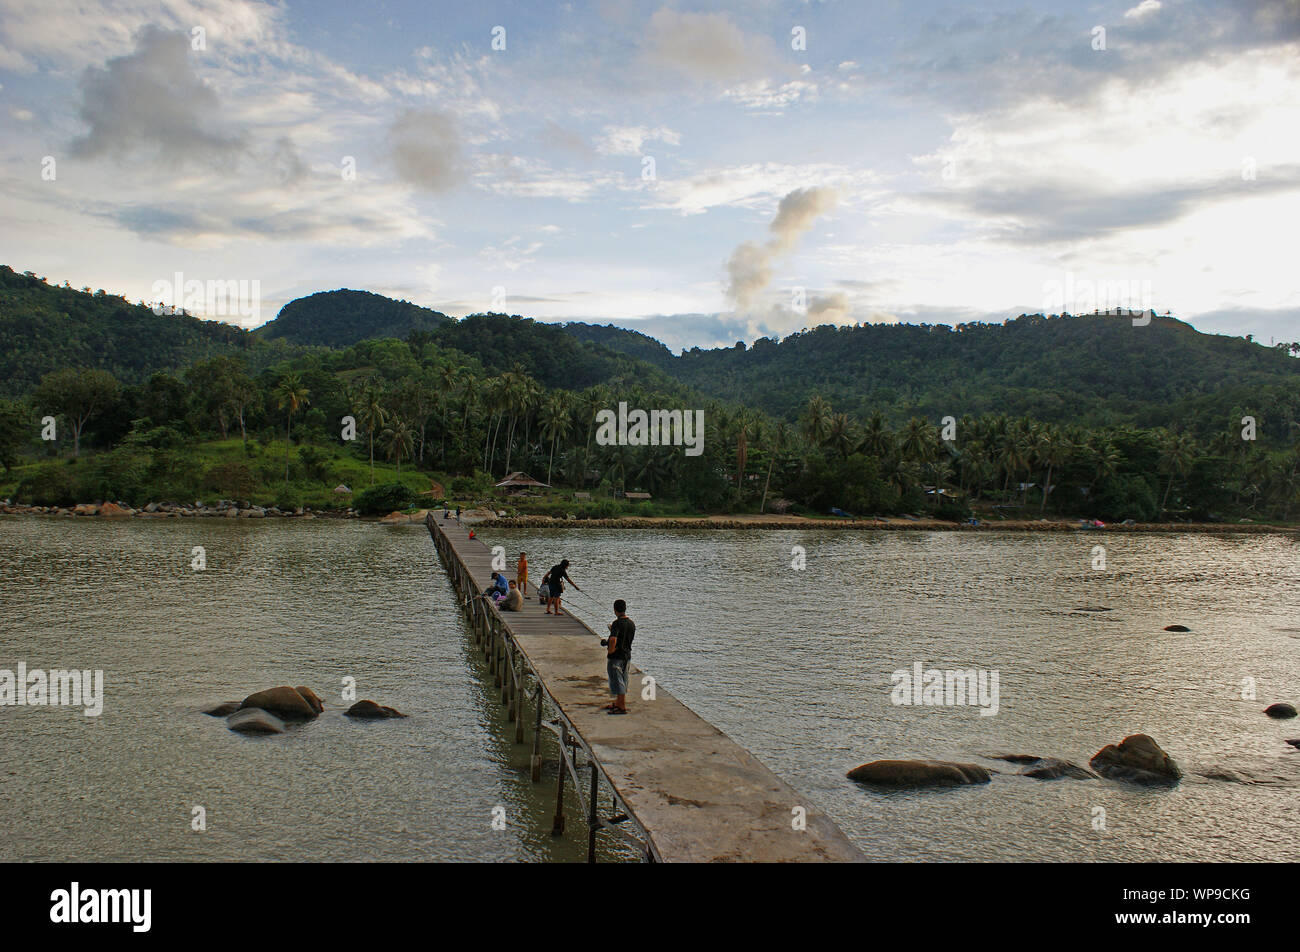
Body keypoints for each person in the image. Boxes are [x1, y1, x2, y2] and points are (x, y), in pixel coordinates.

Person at [601, 599, 635, 714]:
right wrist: (613, 630)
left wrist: (610, 651)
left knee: (616, 680)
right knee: (623, 679)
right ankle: (618, 703)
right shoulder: (631, 623)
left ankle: (622, 707)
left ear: (615, 609)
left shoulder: (616, 623)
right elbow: (625, 638)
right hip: (627, 656)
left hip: (616, 657)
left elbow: (613, 640)